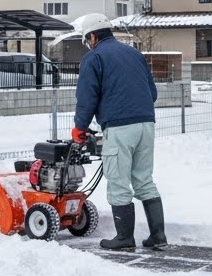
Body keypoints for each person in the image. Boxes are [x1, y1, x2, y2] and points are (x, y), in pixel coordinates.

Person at [68, 13, 166, 250]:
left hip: (120, 128)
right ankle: (158, 236)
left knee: (118, 182)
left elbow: (86, 97)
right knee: (144, 180)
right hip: (146, 125)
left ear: (92, 36)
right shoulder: (134, 54)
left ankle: (124, 237)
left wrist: (80, 128)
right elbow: (152, 93)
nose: (88, 44)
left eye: (87, 40)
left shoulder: (94, 58)